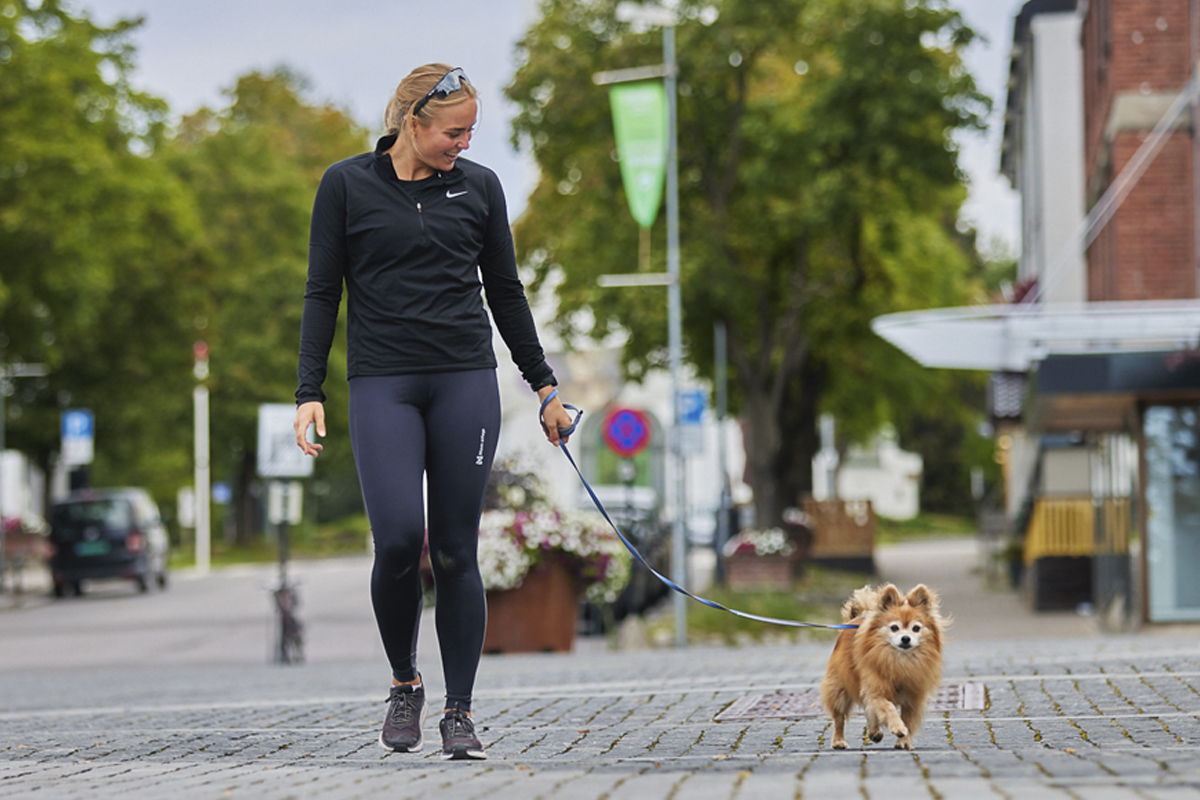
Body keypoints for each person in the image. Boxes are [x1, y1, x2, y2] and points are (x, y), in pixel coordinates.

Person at [292, 63, 573, 761]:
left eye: (472, 130)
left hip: (463, 381)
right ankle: (404, 681)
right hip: (384, 382)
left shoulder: (479, 188)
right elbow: (322, 292)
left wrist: (543, 387)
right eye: (455, 131)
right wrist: (308, 391)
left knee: (454, 549)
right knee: (395, 542)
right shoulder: (346, 185)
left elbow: (505, 292)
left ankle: (460, 711)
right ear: (412, 123)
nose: (465, 144)